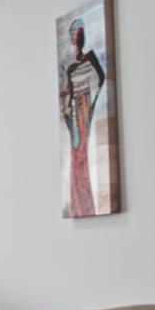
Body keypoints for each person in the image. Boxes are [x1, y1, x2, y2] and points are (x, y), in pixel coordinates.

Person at [60, 23, 105, 216]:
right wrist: (68, 112)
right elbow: (69, 97)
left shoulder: (91, 59)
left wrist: (89, 103)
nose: (79, 39)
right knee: (77, 155)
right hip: (76, 116)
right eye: (76, 36)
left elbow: (101, 80)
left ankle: (86, 205)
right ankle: (79, 205)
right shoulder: (70, 69)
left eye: (81, 35)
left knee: (84, 154)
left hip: (86, 111)